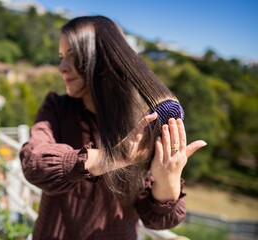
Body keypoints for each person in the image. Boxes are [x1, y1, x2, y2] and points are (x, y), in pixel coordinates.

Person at [20, 15, 207, 240]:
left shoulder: (140, 127)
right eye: (61, 57)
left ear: (102, 60)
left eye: (72, 56)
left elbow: (158, 220)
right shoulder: (56, 108)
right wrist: (116, 156)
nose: (62, 67)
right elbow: (34, 163)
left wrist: (168, 178)